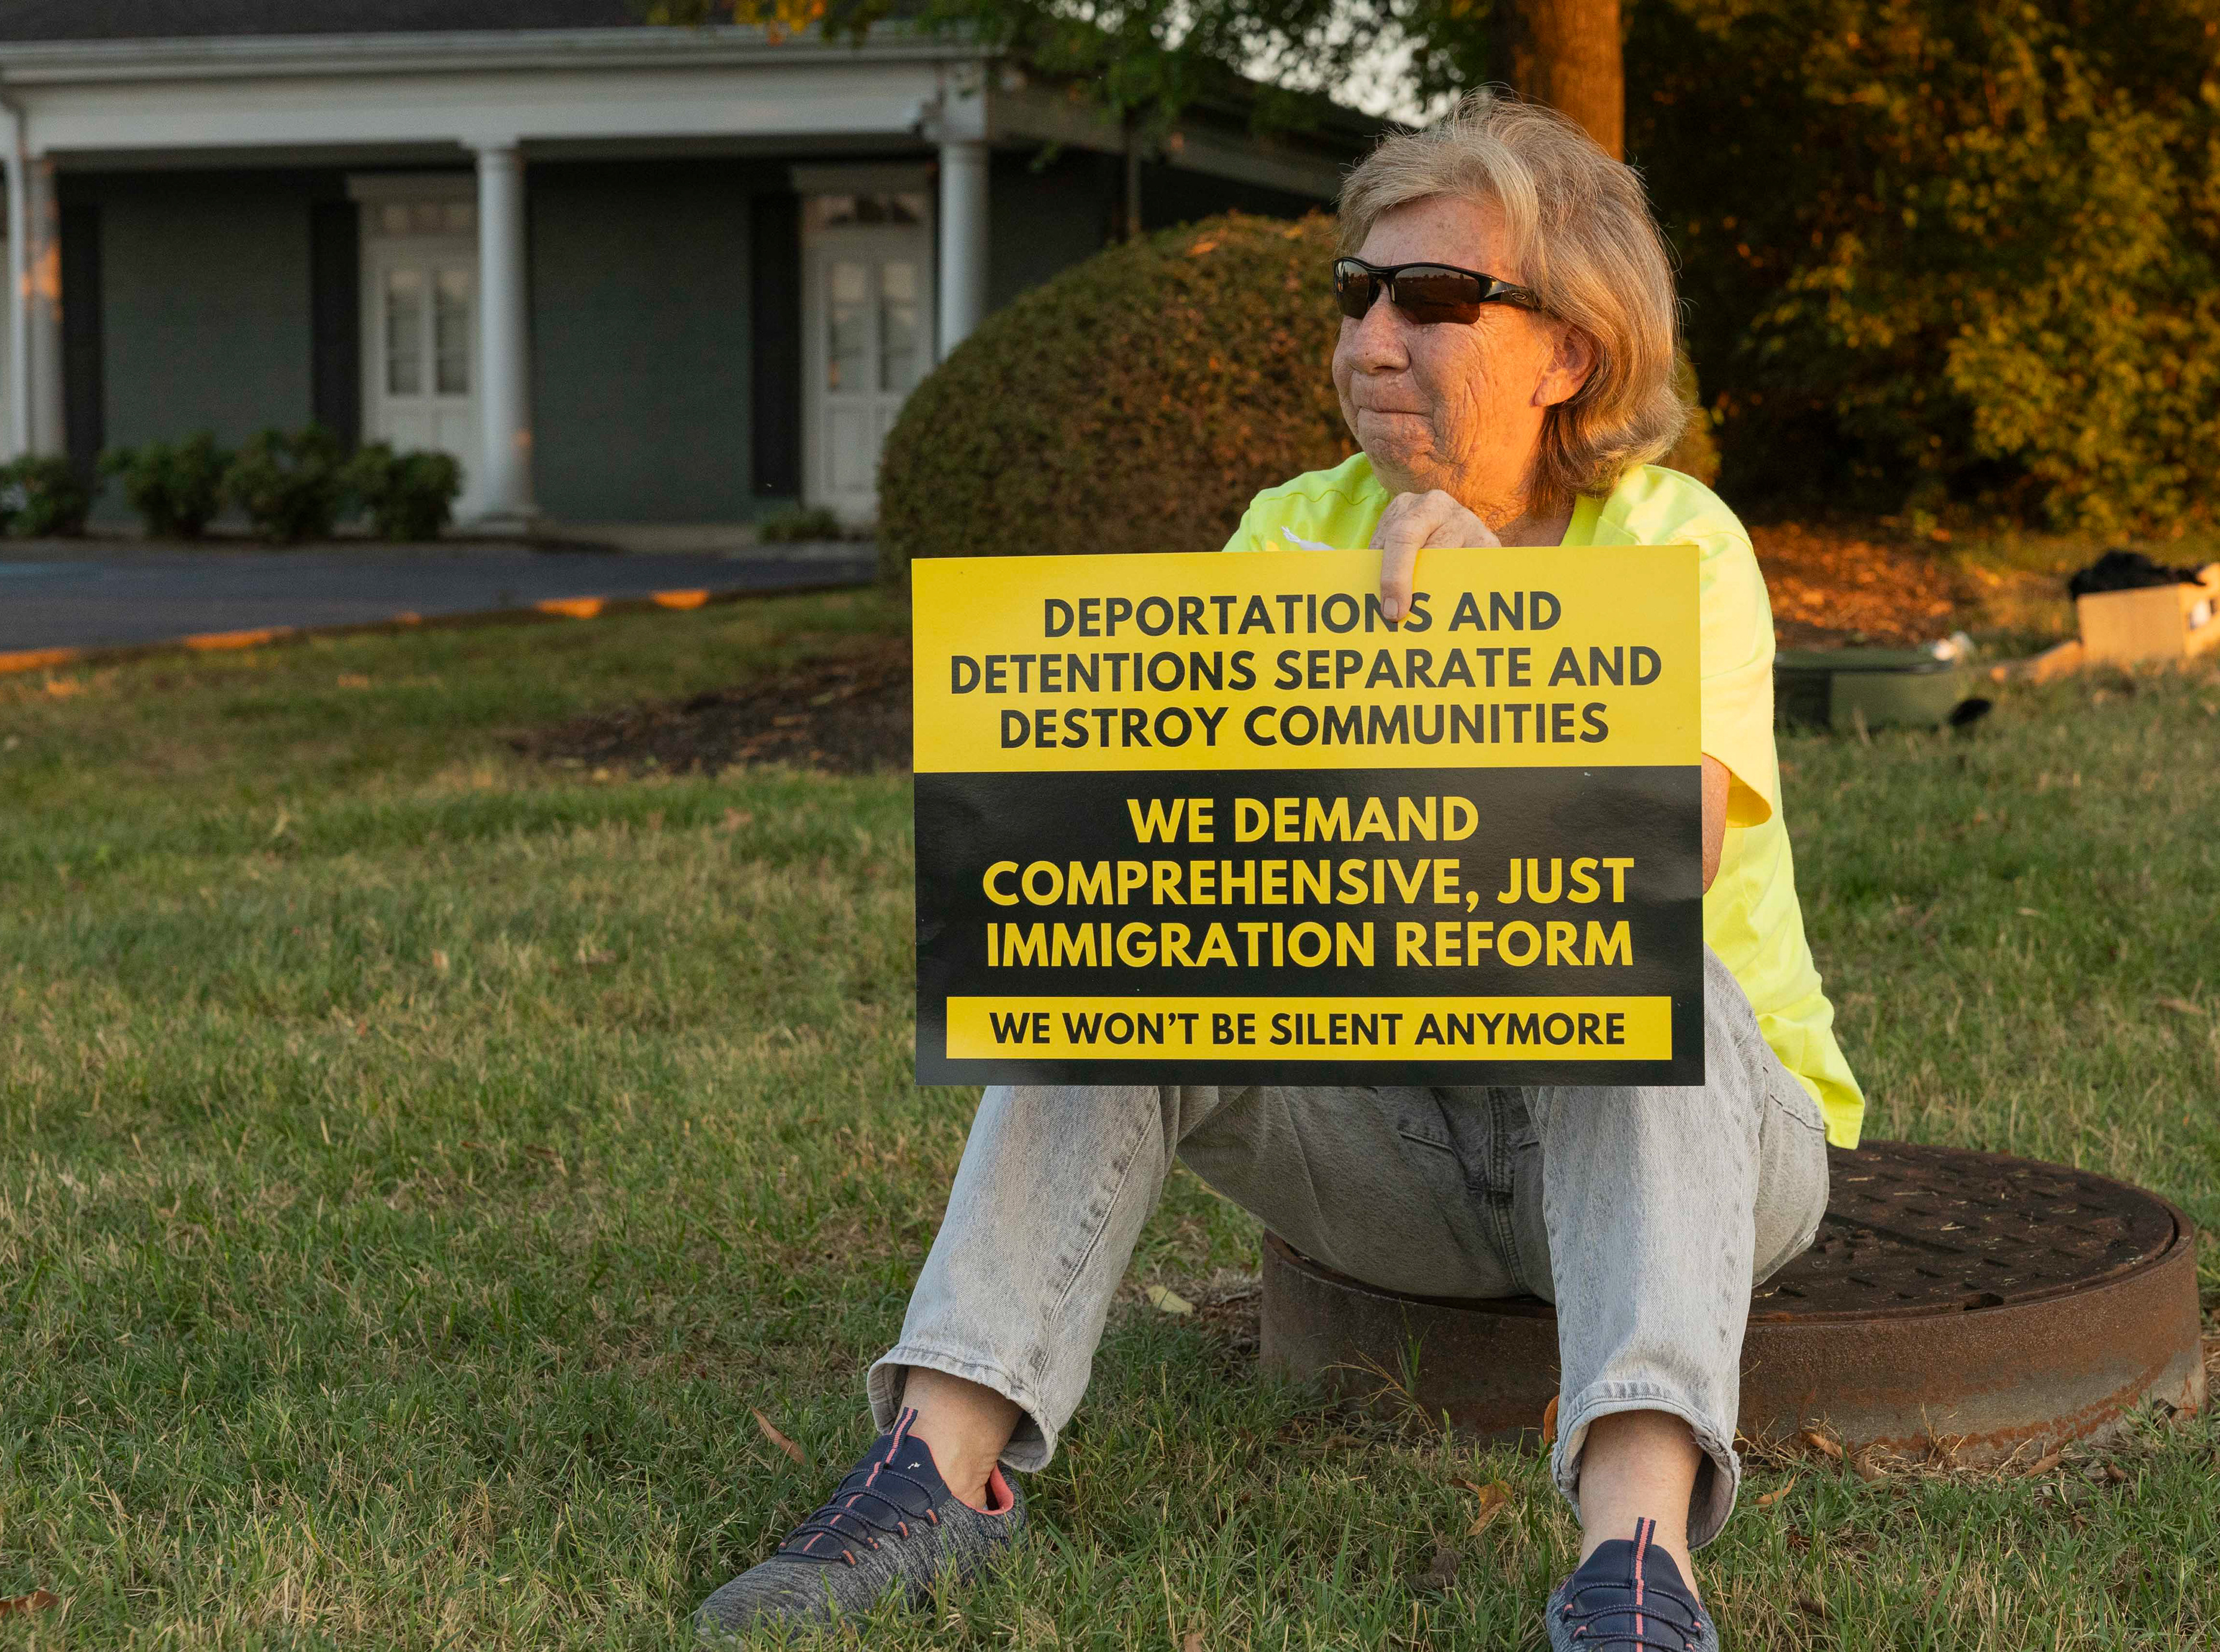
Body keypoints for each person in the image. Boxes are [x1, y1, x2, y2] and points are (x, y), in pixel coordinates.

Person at [697, 89, 1863, 1651]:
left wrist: (1480, 649)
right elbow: (1231, 872)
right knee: (1116, 957)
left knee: (1644, 964)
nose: (1373, 339)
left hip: (1701, 1139)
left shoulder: (1679, 542)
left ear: (1569, 351)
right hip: (1401, 1148)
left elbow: (1673, 846)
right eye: (1357, 295)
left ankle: (1634, 1562)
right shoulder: (1292, 529)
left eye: (1434, 300)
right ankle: (933, 1471)